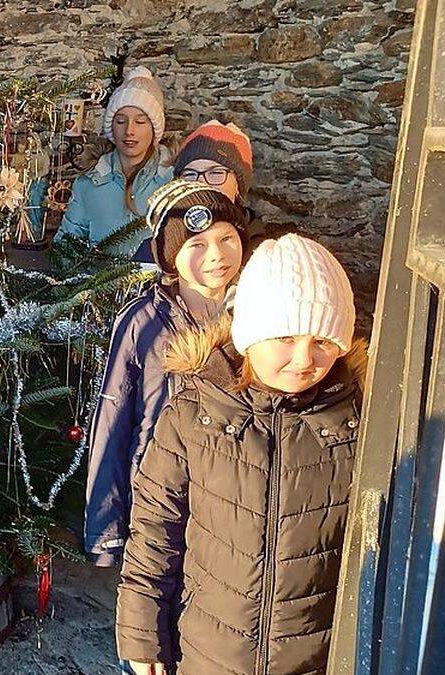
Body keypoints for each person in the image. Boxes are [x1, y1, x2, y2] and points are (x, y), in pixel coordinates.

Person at [116, 233, 363, 674]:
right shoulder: (197, 412)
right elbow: (155, 528)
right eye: (285, 337)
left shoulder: (357, 422)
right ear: (251, 335)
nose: (304, 359)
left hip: (316, 658)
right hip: (211, 652)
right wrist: (141, 634)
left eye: (323, 341)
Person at [84, 180, 252, 566]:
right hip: (160, 493)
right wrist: (106, 530)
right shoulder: (143, 323)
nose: (217, 255)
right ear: (171, 256)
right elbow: (113, 417)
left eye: (227, 238)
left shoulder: (256, 314)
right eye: (197, 245)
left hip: (232, 496)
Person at [60, 66, 173, 255]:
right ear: (112, 126)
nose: (129, 130)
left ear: (154, 128)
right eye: (121, 121)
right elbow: (65, 247)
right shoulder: (89, 183)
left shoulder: (172, 180)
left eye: (140, 122)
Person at [133, 119, 258, 263]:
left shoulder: (262, 257)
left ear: (238, 186)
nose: (201, 183)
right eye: (190, 174)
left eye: (216, 173)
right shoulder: (153, 253)